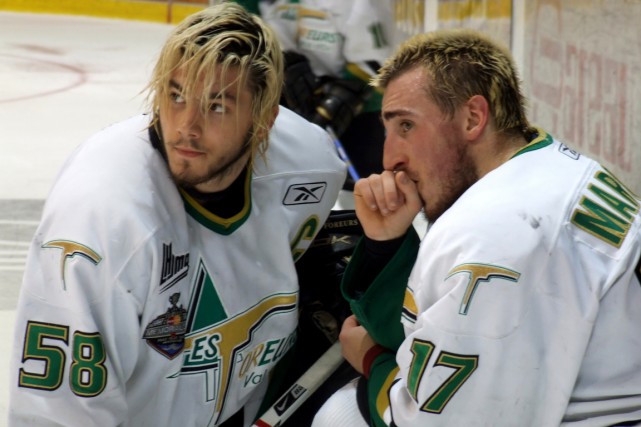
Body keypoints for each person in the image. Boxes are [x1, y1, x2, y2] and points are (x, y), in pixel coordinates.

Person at [8, 3, 347, 426]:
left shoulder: (310, 164)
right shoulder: (102, 216)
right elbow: (58, 414)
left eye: (216, 105)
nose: (186, 126)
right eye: (176, 95)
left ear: (265, 119)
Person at [312, 28, 641, 426]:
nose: (389, 158)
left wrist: (371, 360)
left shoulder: (497, 233)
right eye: (388, 129)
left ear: (472, 118)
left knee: (339, 416)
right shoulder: (549, 164)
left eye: (406, 127)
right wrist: (386, 244)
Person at [235, 0, 392, 187]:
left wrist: (338, 101)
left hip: (354, 116)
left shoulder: (353, 6)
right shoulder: (252, 5)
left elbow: (374, 64)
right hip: (280, 111)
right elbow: (238, 32)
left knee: (363, 192)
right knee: (276, 186)